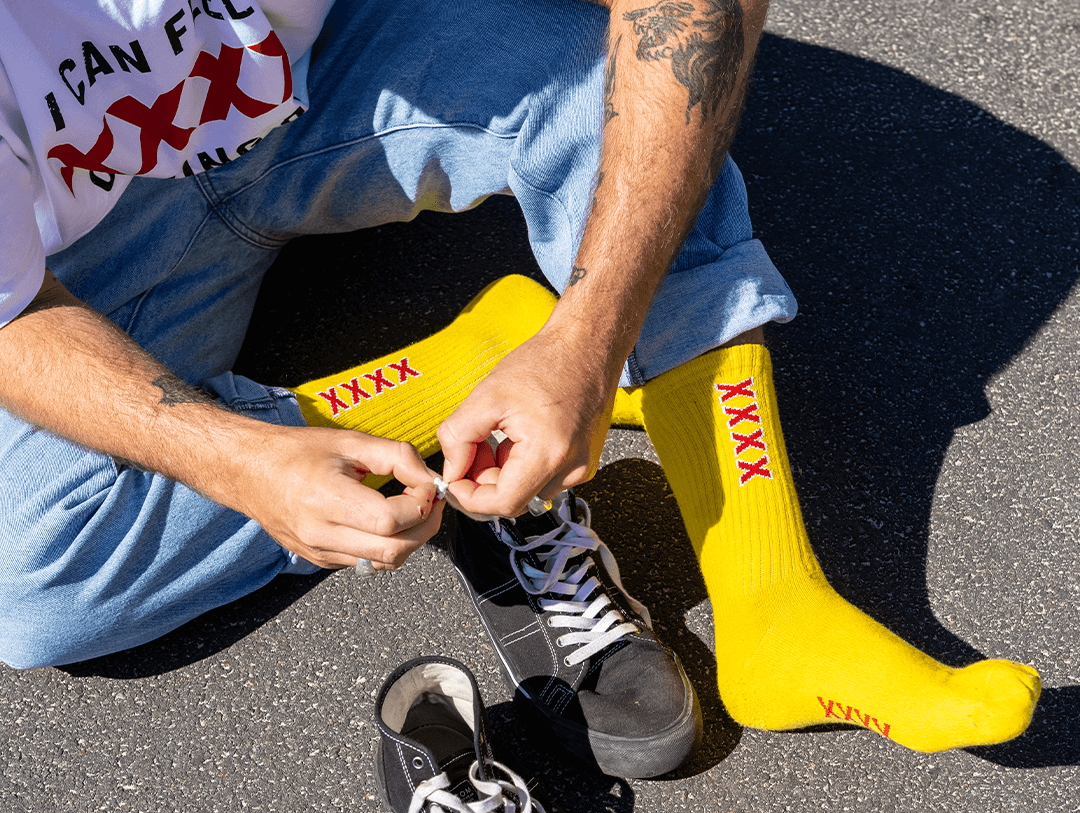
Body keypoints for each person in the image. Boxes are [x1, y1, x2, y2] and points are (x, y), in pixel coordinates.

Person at [0, 0, 1039, 759]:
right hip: (80, 256)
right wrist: (243, 463)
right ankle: (465, 368)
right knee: (35, 585)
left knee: (627, 101)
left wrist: (590, 337)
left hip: (329, 69)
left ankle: (776, 603)